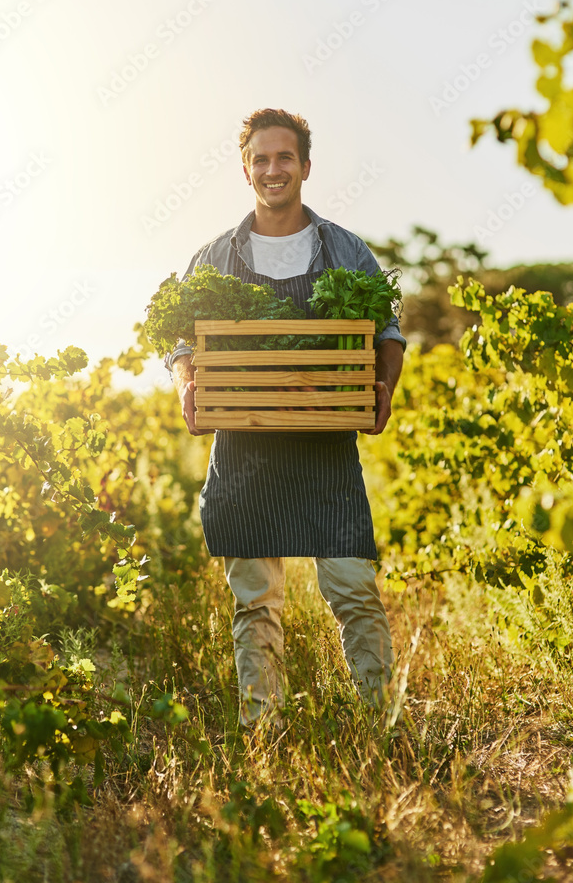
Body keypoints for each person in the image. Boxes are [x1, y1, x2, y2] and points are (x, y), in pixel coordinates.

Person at [165, 108, 406, 730]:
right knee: (255, 602)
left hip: (326, 449)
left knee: (354, 589)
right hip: (244, 452)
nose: (274, 170)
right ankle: (263, 734)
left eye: (285, 158)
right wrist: (188, 386)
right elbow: (180, 343)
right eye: (261, 159)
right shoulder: (215, 256)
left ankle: (380, 725)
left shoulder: (346, 249)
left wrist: (382, 386)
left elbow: (387, 330)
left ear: (305, 166)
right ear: (246, 169)